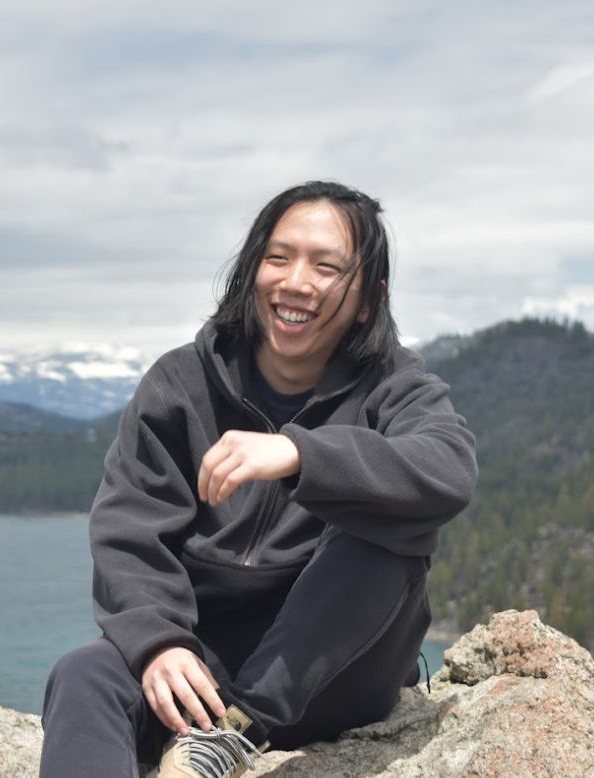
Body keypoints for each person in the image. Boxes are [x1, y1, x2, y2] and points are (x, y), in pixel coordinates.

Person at [40, 181, 478, 778]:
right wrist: (158, 642)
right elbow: (129, 528)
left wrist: (299, 453)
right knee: (85, 673)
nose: (295, 282)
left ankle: (235, 734)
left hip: (337, 672)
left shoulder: (393, 384)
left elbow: (448, 468)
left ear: (368, 300)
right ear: (251, 271)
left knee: (385, 527)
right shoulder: (180, 384)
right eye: (278, 258)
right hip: (209, 664)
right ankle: (208, 731)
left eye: (327, 267)